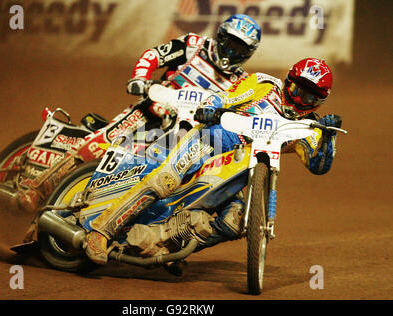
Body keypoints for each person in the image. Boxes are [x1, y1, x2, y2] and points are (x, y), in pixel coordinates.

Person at [84, 57, 342, 265]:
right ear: (288, 82)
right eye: (297, 91)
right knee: (166, 180)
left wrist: (328, 137)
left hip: (237, 167)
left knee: (235, 222)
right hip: (213, 139)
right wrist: (211, 107)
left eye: (308, 98)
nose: (299, 101)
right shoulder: (265, 85)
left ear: (319, 101)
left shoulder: (310, 126)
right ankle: (101, 231)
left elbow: (318, 166)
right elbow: (227, 97)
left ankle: (163, 245)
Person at [125, 14, 262, 120]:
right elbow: (155, 55)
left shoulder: (242, 82)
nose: (231, 52)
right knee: (106, 139)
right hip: (154, 107)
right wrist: (140, 77)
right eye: (229, 44)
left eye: (239, 49)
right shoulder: (194, 45)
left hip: (189, 130)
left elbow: (241, 114)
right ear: (221, 37)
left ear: (248, 53)